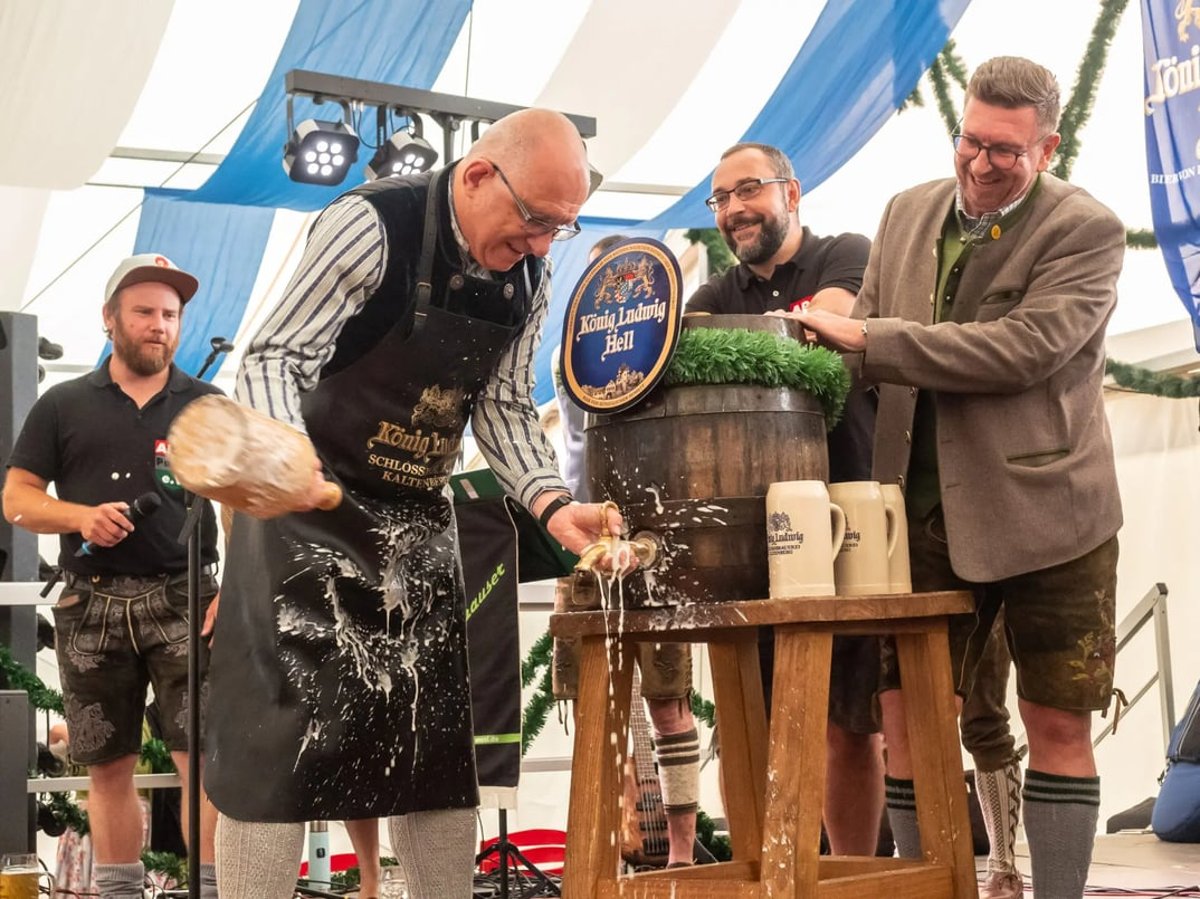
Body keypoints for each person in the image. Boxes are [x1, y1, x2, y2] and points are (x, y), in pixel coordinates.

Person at [204, 108, 627, 899]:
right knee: (274, 756)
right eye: (536, 220)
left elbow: (500, 406)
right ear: (476, 175)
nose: (541, 244)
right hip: (301, 517)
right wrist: (286, 457)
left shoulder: (528, 273)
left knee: (432, 759)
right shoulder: (370, 226)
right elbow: (273, 357)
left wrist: (551, 502)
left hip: (418, 525)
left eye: (559, 228)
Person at [795, 56, 1124, 899]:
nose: (982, 163)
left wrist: (870, 341)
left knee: (1053, 719)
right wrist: (802, 346)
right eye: (970, 141)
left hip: (1055, 515)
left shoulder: (1087, 229)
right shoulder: (905, 212)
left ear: (1047, 148)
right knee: (907, 719)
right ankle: (925, 889)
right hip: (921, 514)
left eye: (1006, 151)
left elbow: (1023, 350)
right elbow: (861, 328)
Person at [684, 141, 885, 857]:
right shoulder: (711, 295)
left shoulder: (847, 253)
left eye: (749, 190)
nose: (735, 209)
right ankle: (776, 876)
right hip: (759, 536)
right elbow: (686, 357)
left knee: (848, 723)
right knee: (764, 722)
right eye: (721, 199)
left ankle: (855, 875)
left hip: (851, 521)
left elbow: (814, 335)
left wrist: (731, 346)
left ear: (791, 192)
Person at [3, 253, 222, 899]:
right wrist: (79, 515)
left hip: (190, 597)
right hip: (90, 603)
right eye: (145, 311)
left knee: (205, 764)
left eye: (170, 314)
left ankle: (208, 890)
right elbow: (16, 496)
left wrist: (237, 590)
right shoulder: (63, 403)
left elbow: (245, 504)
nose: (160, 325)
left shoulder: (208, 405)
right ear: (110, 319)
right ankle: (121, 893)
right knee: (106, 766)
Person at [552, 233, 701, 868]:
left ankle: (682, 857)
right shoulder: (569, 361)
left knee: (668, 703)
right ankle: (604, 853)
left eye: (614, 284)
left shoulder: (671, 349)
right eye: (594, 284)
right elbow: (569, 452)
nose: (602, 299)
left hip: (654, 543)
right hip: (588, 543)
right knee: (593, 705)